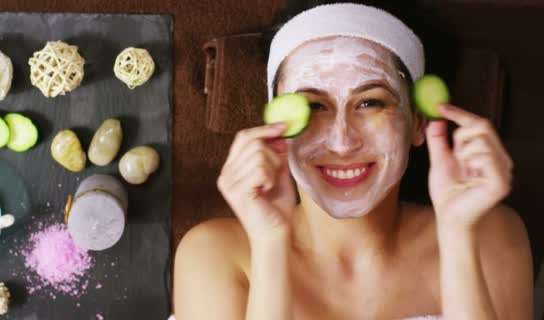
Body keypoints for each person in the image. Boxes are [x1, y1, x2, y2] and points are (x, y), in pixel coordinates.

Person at [173, 3, 533, 319]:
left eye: (370, 102)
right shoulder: (215, 255)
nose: (342, 142)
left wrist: (457, 237)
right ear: (275, 128)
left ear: (418, 122)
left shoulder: (487, 234)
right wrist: (270, 245)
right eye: (313, 106)